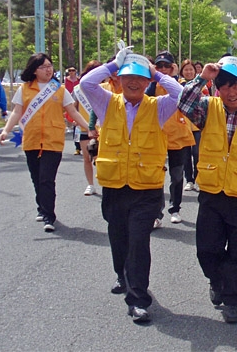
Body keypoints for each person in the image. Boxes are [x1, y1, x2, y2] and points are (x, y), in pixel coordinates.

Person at [80, 47, 181, 323]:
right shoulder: (106, 103)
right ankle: (122, 275)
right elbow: (85, 83)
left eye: (139, 78)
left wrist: (157, 72)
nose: (133, 82)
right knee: (118, 236)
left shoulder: (158, 107)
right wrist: (114, 64)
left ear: (147, 82)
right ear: (119, 79)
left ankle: (138, 299)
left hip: (146, 188)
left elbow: (179, 94)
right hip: (114, 185)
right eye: (127, 77)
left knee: (139, 240)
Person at [177, 56, 237, 324]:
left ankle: (233, 298)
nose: (231, 93)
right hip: (211, 193)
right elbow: (184, 103)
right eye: (224, 87)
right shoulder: (208, 108)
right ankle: (217, 280)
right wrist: (203, 78)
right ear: (217, 88)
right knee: (206, 249)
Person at [0, 53, 89, 232]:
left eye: (50, 66)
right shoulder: (24, 89)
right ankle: (42, 206)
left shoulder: (59, 89)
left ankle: (49, 216)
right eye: (43, 67)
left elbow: (73, 111)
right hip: (31, 139)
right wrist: (6, 130)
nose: (48, 70)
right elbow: (17, 112)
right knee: (36, 178)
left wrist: (88, 128)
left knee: (47, 179)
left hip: (53, 140)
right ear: (34, 70)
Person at [145, 51, 196, 227]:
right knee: (156, 175)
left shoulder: (181, 84)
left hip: (178, 136)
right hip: (156, 136)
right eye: (160, 66)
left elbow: (185, 96)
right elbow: (146, 98)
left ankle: (175, 208)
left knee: (176, 175)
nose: (164, 69)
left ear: (174, 67)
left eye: (168, 66)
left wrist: (173, 77)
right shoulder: (151, 85)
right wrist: (153, 77)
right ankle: (156, 213)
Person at [73, 60, 102, 196]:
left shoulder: (104, 88)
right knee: (87, 157)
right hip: (84, 128)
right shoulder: (79, 89)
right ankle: (90, 184)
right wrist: (74, 120)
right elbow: (72, 107)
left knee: (101, 158)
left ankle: (106, 182)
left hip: (102, 128)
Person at [178, 59, 202, 193]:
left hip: (197, 124)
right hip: (183, 124)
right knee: (186, 154)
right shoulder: (178, 85)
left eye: (191, 69)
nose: (188, 72)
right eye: (186, 69)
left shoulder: (201, 85)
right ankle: (189, 180)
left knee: (197, 152)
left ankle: (198, 178)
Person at [64, 67, 81, 155]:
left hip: (82, 105)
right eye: (69, 71)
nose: (71, 72)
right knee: (76, 126)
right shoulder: (66, 80)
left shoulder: (79, 81)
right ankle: (77, 147)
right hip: (71, 100)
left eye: (73, 70)